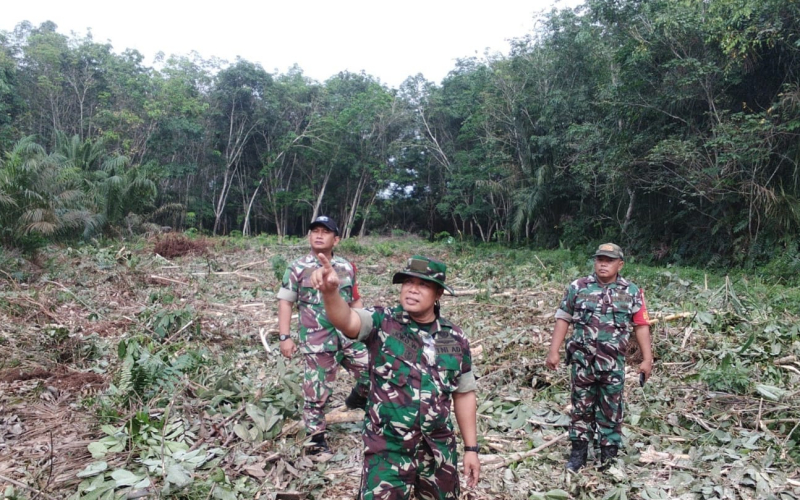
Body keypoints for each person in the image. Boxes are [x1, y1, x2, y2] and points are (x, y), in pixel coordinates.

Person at [311, 254, 480, 500]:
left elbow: (463, 393)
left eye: (423, 285)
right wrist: (330, 293)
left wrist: (471, 448)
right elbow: (347, 320)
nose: (413, 289)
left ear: (438, 294)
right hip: (387, 450)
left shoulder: (454, 338)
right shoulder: (382, 322)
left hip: (437, 452)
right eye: (408, 282)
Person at [545, 243, 653, 472]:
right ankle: (578, 454)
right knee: (580, 408)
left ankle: (608, 457)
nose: (603, 264)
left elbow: (641, 325)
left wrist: (647, 358)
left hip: (613, 364)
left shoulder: (631, 291)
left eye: (609, 260)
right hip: (583, 362)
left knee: (611, 410)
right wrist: (553, 350)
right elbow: (563, 317)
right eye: (600, 259)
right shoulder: (578, 287)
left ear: (620, 264)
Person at [276, 215, 370, 454]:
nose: (319, 235)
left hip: (349, 337)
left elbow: (355, 300)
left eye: (325, 232)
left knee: (373, 372)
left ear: (336, 240)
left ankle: (358, 399)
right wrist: (285, 337)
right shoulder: (297, 268)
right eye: (315, 231)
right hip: (317, 341)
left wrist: (365, 330)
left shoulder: (347, 267)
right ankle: (316, 440)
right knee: (315, 394)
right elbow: (286, 302)